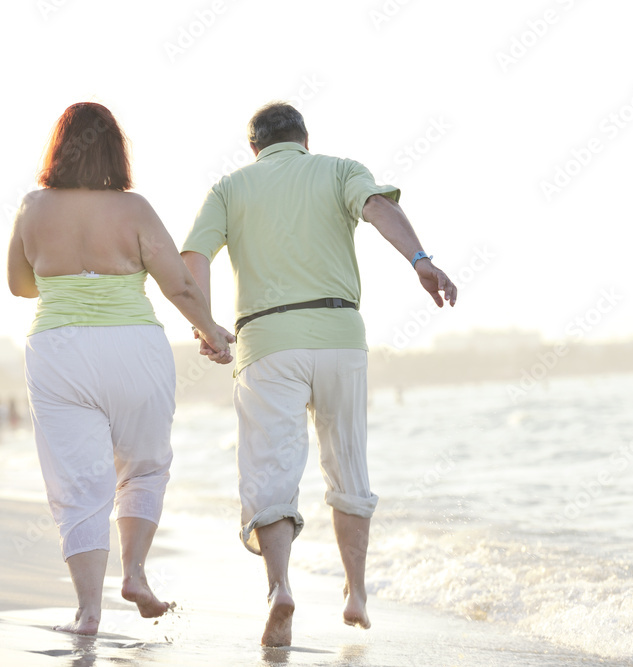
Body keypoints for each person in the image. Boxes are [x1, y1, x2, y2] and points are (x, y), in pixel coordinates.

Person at [181, 102, 457, 646]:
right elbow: (378, 209)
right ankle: (355, 592)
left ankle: (280, 587)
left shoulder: (230, 188)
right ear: (305, 138)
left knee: (270, 471)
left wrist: (208, 326)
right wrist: (421, 259)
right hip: (339, 336)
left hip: (265, 343)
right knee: (347, 464)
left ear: (254, 148)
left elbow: (195, 257)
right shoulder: (340, 170)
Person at [7, 102, 234, 636]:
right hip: (134, 347)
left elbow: (19, 284)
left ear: (58, 148)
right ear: (116, 150)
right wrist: (211, 332)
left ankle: (88, 613)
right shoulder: (134, 210)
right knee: (146, 465)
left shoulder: (32, 207)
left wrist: (71, 283)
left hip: (58, 349)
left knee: (78, 482)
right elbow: (177, 284)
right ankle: (134, 574)